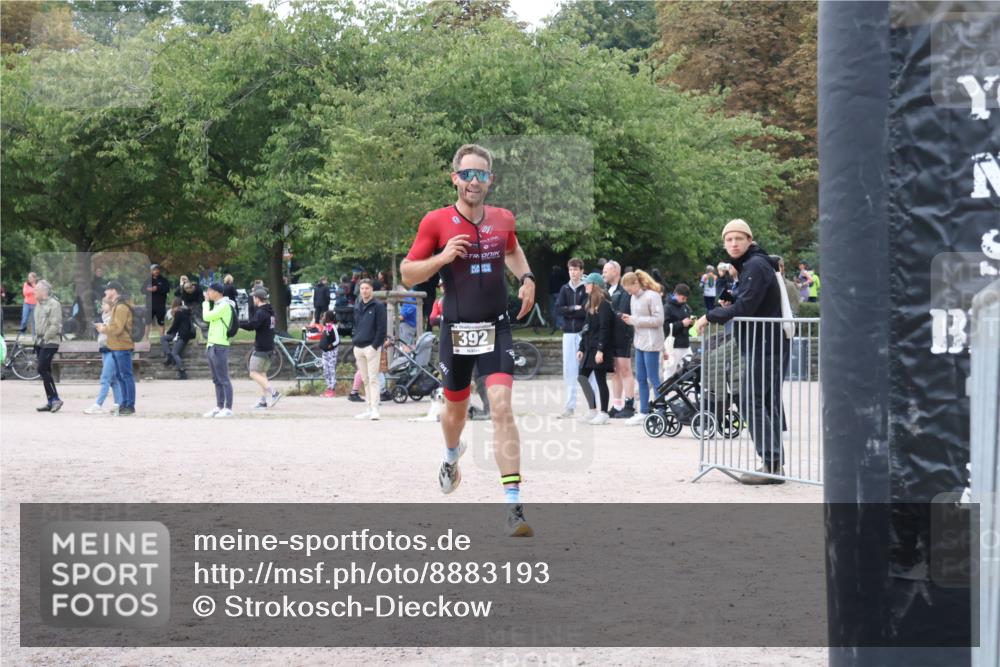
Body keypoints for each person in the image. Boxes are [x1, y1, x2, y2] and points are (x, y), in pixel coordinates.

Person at [400, 143, 536, 537]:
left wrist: (526, 278)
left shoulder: (503, 219)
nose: (473, 182)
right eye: (467, 174)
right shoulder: (436, 222)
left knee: (501, 406)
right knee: (455, 414)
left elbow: (512, 250)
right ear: (454, 177)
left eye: (481, 175)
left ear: (490, 180)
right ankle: (450, 455)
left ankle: (514, 508)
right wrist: (441, 259)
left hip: (496, 327)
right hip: (456, 331)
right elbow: (409, 273)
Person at [696, 219, 790, 485]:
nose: (733, 244)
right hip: (766, 343)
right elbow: (748, 302)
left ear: (750, 240)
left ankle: (771, 465)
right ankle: (773, 465)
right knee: (764, 401)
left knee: (751, 401)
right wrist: (732, 299)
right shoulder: (752, 265)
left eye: (739, 239)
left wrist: (710, 316)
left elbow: (746, 308)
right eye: (729, 239)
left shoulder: (756, 265)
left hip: (765, 344)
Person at [620, 270, 665, 426]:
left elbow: (659, 320)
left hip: (652, 342)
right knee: (640, 377)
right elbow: (637, 320)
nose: (628, 292)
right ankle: (643, 411)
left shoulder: (653, 296)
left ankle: (661, 408)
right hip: (639, 341)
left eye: (629, 289)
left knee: (653, 377)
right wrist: (631, 320)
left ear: (636, 283)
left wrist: (634, 320)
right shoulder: (633, 297)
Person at [554, 258, 596, 419]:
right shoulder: (565, 288)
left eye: (576, 269)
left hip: (583, 333)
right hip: (568, 334)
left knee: (587, 370)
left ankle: (594, 406)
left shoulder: (587, 288)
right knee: (569, 370)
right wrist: (572, 308)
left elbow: (585, 310)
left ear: (581, 271)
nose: (573, 272)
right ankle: (569, 406)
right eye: (571, 269)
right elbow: (558, 310)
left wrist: (570, 310)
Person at [576, 273, 615, 425]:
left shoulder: (605, 304)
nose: (585, 285)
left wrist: (600, 350)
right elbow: (586, 328)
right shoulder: (590, 303)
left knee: (600, 380)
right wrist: (581, 347)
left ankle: (604, 413)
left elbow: (605, 329)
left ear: (595, 285)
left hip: (600, 348)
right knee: (582, 376)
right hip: (589, 348)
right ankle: (592, 410)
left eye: (588, 283)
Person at [97, 281, 136, 416]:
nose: (105, 293)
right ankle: (123, 403)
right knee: (120, 376)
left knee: (126, 375)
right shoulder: (117, 306)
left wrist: (103, 329)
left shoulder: (121, 307)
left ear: (113, 291)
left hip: (122, 345)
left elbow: (117, 328)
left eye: (107, 290)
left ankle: (129, 405)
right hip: (115, 345)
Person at [350, 279, 387, 420]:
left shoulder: (378, 306)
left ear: (371, 289)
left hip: (371, 347)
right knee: (365, 379)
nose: (364, 291)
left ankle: (375, 409)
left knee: (373, 379)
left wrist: (375, 345)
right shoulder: (357, 306)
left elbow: (381, 328)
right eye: (362, 288)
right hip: (358, 347)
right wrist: (354, 343)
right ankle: (368, 407)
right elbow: (355, 325)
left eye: (367, 288)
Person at [602, 260, 635, 419]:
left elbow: (621, 313)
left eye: (606, 271)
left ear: (615, 271)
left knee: (625, 369)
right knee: (614, 371)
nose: (603, 274)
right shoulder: (607, 289)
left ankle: (629, 404)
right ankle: (616, 404)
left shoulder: (624, 290)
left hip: (622, 335)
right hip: (611, 336)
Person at [240, 287, 281, 410]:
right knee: (262, 374)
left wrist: (238, 324)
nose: (253, 299)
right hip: (270, 347)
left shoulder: (261, 312)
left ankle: (274, 393)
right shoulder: (270, 311)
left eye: (254, 297)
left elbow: (252, 325)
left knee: (253, 373)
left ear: (258, 299)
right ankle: (263, 402)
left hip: (261, 348)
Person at [202, 282, 237, 418]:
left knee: (223, 378)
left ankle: (228, 408)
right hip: (211, 344)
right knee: (216, 379)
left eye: (210, 291)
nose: (208, 294)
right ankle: (219, 406)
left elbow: (207, 317)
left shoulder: (224, 305)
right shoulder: (217, 305)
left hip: (220, 345)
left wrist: (205, 303)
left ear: (217, 292)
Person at [85, 298, 123, 413]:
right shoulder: (104, 316)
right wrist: (101, 326)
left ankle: (98, 405)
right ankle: (119, 404)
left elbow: (113, 331)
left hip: (112, 350)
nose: (102, 306)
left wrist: (103, 328)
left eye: (104, 304)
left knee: (105, 378)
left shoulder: (114, 317)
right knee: (113, 380)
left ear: (110, 306)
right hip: (104, 350)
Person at [32, 280, 63, 412]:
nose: (34, 292)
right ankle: (51, 401)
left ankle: (56, 399)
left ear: (44, 292)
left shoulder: (54, 304)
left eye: (36, 290)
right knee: (46, 371)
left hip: (50, 342)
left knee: (42, 368)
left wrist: (45, 339)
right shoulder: (38, 305)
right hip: (40, 342)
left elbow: (55, 325)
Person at [663, 283, 695, 380]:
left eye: (686, 299)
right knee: (670, 370)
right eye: (683, 298)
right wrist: (681, 324)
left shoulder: (685, 306)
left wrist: (692, 324)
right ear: (676, 294)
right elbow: (665, 328)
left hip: (685, 344)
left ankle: (684, 390)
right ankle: (665, 393)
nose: (684, 301)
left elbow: (687, 324)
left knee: (691, 368)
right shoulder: (667, 307)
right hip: (673, 345)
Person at [161, 297, 195, 380]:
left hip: (181, 335)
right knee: (164, 339)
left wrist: (168, 332)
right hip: (183, 334)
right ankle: (169, 356)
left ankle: (182, 372)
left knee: (175, 353)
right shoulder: (186, 311)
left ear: (175, 304)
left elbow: (175, 325)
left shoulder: (179, 312)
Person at [144, 264, 171, 338]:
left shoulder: (164, 280)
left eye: (157, 269)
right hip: (150, 305)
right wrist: (148, 289)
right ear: (151, 271)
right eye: (154, 270)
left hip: (160, 305)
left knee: (161, 322)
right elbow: (142, 290)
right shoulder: (147, 280)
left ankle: (162, 338)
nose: (156, 271)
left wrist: (158, 288)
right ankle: (146, 338)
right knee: (147, 322)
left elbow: (167, 290)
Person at [318, 310, 340, 398]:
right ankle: (328, 387)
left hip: (331, 352)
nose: (322, 318)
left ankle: (332, 388)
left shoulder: (333, 327)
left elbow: (337, 340)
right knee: (326, 370)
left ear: (328, 318)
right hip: (325, 352)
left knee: (331, 369)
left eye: (324, 316)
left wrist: (332, 345)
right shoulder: (326, 327)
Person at [548, 263, 568, 330]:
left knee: (553, 309)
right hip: (559, 292)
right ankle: (560, 324)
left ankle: (554, 324)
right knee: (560, 308)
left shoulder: (551, 274)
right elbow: (566, 281)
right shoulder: (562, 273)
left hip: (552, 293)